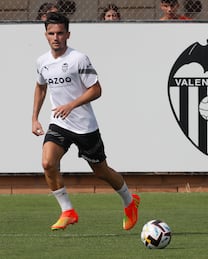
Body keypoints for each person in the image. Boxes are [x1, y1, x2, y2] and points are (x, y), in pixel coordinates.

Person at [32, 12, 140, 231]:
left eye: (60, 33)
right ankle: (67, 211)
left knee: (101, 172)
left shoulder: (78, 59)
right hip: (59, 123)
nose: (56, 37)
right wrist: (34, 118)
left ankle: (130, 201)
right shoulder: (42, 62)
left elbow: (96, 90)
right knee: (47, 163)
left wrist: (71, 105)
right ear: (45, 35)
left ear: (68, 34)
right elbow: (41, 87)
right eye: (51, 33)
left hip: (85, 127)